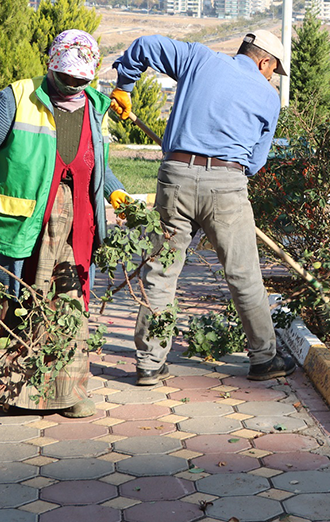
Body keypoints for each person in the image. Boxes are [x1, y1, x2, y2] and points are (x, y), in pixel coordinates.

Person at [0, 29, 129, 419]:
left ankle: (68, 392)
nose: (73, 84)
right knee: (11, 302)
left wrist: (116, 193)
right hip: (23, 222)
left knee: (68, 305)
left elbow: (97, 167)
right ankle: (6, 391)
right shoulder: (18, 97)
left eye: (81, 78)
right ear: (51, 66)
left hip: (76, 226)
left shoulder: (95, 106)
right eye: (66, 76)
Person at [111, 31, 296, 385]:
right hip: (227, 185)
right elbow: (255, 163)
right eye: (274, 71)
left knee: (162, 272)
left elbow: (146, 45)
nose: (272, 78)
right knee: (243, 275)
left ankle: (150, 363)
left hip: (175, 176)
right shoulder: (269, 96)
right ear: (264, 62)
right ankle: (264, 358)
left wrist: (125, 85)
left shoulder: (199, 58)